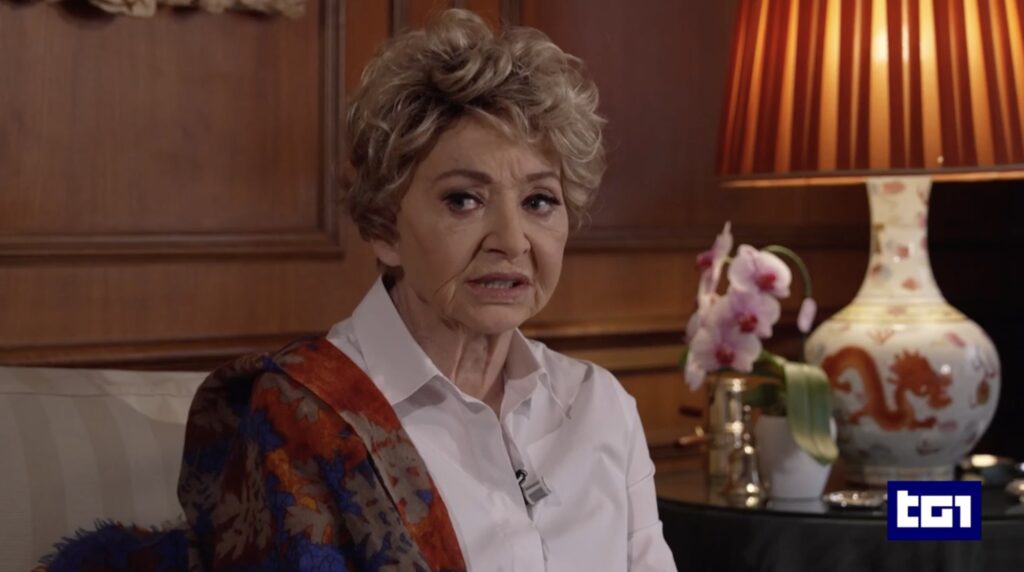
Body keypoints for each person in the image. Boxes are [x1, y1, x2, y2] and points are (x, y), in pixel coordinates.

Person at [40, 9, 677, 572]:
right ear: (383, 228)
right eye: (464, 199)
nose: (512, 240)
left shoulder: (599, 406)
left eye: (539, 201)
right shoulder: (299, 414)